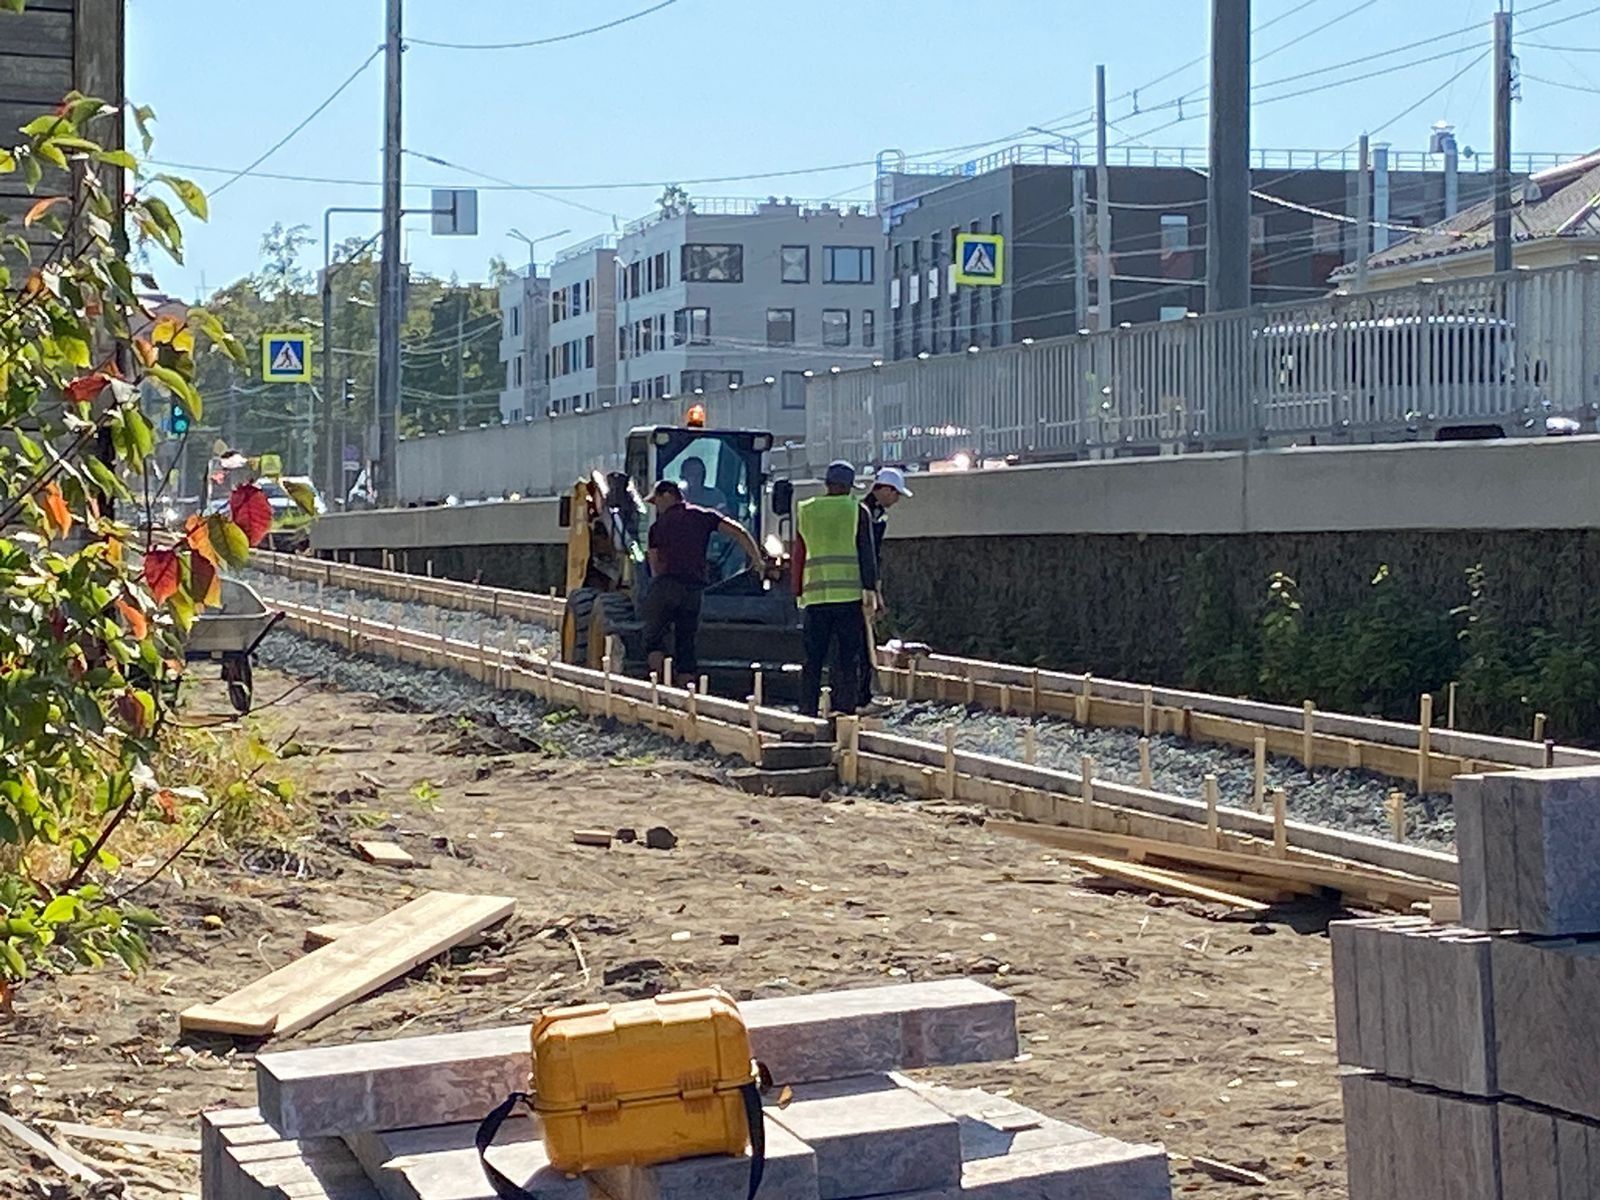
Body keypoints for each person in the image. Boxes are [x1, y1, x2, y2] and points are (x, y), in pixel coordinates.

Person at [643, 479, 764, 687]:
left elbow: (655, 565)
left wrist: (658, 587)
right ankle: (687, 692)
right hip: (693, 590)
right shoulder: (702, 516)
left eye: (657, 501)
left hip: (666, 586)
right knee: (686, 644)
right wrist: (756, 559)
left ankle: (660, 688)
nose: (657, 507)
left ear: (668, 495)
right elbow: (739, 532)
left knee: (654, 640)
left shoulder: (658, 527)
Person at [791, 460, 878, 718]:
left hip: (816, 596)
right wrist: (871, 591)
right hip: (848, 597)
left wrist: (796, 589)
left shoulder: (807, 510)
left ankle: (807, 709)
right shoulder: (857, 511)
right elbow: (867, 555)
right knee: (846, 658)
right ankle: (844, 709)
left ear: (827, 484)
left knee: (813, 658)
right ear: (849, 486)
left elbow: (799, 553)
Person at [856, 466, 913, 709]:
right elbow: (869, 555)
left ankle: (862, 694)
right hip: (858, 584)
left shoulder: (873, 513)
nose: (897, 499)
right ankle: (862, 696)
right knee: (861, 642)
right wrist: (873, 591)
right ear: (885, 489)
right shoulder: (867, 514)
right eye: (896, 493)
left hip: (859, 583)